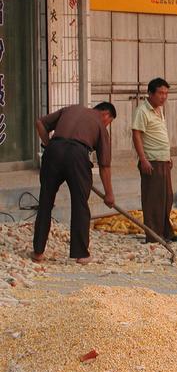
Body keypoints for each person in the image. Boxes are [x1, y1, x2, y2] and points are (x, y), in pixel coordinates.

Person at [32, 102, 116, 265]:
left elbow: (40, 123)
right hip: (78, 155)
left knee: (45, 202)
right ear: (106, 114)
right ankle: (81, 254)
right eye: (109, 121)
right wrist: (109, 194)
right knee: (80, 204)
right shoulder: (99, 123)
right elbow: (104, 164)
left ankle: (38, 252)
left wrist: (48, 145)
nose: (107, 124)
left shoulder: (71, 109)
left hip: (53, 151)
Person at [132, 77, 177, 243]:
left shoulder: (159, 110)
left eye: (166, 93)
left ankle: (166, 232)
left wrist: (168, 156)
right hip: (151, 161)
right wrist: (143, 159)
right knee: (153, 199)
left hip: (163, 160)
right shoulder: (142, 111)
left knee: (166, 198)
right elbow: (137, 134)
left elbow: (160, 135)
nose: (164, 97)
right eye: (160, 93)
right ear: (150, 93)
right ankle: (154, 236)